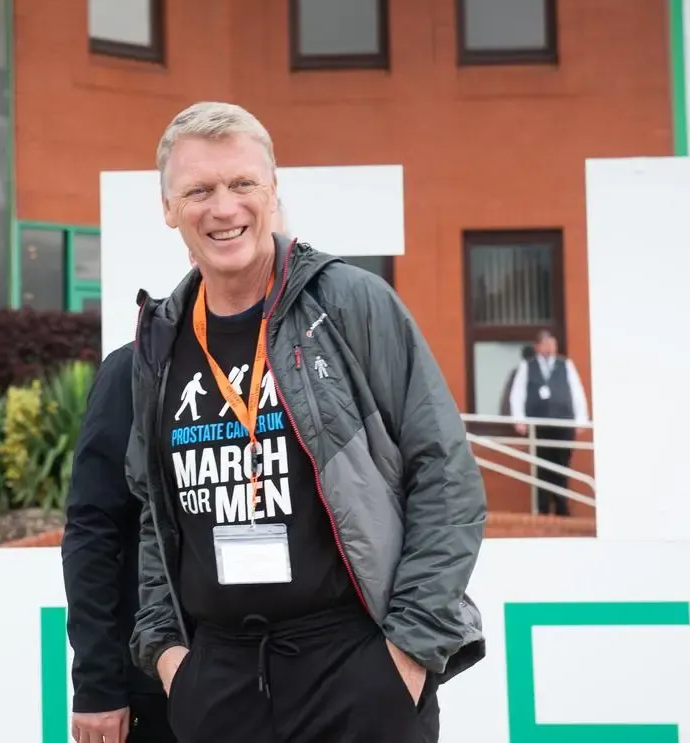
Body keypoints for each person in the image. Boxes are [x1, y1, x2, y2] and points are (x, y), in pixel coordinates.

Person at [124, 101, 487, 743]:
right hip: (219, 681)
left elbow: (447, 476)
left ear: (273, 193)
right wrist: (170, 658)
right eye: (198, 190)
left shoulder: (349, 302)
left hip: (358, 664)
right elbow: (151, 513)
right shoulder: (163, 339)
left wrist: (407, 653)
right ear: (168, 208)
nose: (224, 207)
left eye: (243, 184)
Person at [63, 343, 175, 743]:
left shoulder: (297, 357)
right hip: (153, 681)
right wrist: (98, 684)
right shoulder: (138, 365)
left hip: (285, 683)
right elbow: (93, 531)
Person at [508, 328, 590, 516]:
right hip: (539, 427)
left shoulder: (565, 365)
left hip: (563, 424)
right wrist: (518, 419)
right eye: (546, 344)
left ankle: (562, 508)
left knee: (561, 465)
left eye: (552, 344)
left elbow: (577, 392)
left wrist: (581, 419)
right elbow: (518, 394)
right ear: (538, 347)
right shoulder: (527, 366)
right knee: (541, 467)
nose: (550, 347)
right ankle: (543, 509)